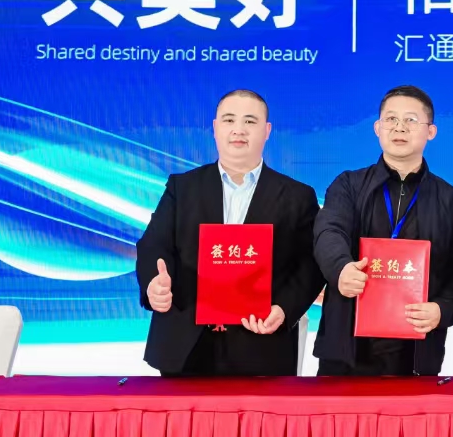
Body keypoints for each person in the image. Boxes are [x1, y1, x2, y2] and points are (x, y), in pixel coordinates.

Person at [136, 89, 324, 377]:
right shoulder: (182, 188)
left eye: (250, 121)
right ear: (215, 128)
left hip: (261, 343)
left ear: (267, 131)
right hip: (186, 344)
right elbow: (154, 245)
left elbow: (310, 264)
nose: (239, 130)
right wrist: (154, 286)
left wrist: (285, 309)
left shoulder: (298, 196)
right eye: (229, 120)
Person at [313, 84, 453, 376]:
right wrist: (341, 268)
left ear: (431, 131)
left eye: (411, 120)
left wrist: (443, 309)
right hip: (347, 349)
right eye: (391, 119)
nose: (400, 127)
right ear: (377, 128)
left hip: (417, 352)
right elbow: (329, 231)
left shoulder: (452, 201)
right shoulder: (348, 185)